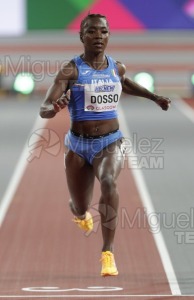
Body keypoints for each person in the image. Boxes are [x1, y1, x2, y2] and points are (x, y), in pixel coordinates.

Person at [39, 13, 171, 276]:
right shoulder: (71, 70)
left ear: (109, 35)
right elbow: (44, 109)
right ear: (81, 36)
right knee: (80, 205)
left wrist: (154, 97)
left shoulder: (116, 67)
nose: (98, 37)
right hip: (78, 146)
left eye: (103, 32)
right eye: (91, 32)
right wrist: (53, 108)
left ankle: (107, 253)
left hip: (110, 142)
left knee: (109, 181)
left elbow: (125, 83)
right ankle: (79, 213)